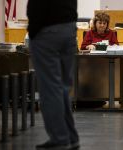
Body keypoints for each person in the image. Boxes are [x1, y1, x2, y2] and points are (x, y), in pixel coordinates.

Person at [27, 0, 79, 149]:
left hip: (46, 31)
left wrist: (33, 32)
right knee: (62, 87)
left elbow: (38, 6)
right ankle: (70, 137)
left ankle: (60, 139)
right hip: (69, 28)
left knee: (50, 89)